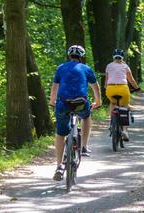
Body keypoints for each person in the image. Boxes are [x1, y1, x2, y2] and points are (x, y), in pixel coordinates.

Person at [49, 45, 101, 181]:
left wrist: (52, 102)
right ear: (82, 57)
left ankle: (59, 166)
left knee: (60, 134)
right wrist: (98, 101)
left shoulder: (61, 68)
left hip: (63, 103)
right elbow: (95, 87)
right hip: (80, 103)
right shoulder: (86, 69)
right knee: (86, 116)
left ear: (69, 56)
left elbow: (55, 88)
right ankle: (83, 146)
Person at [104, 49, 140, 141]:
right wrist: (136, 88)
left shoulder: (108, 66)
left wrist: (106, 87)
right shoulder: (125, 66)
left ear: (113, 57)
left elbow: (106, 81)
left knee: (112, 103)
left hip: (110, 89)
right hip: (123, 89)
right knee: (124, 107)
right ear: (122, 57)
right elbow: (131, 80)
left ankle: (111, 124)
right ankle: (125, 130)